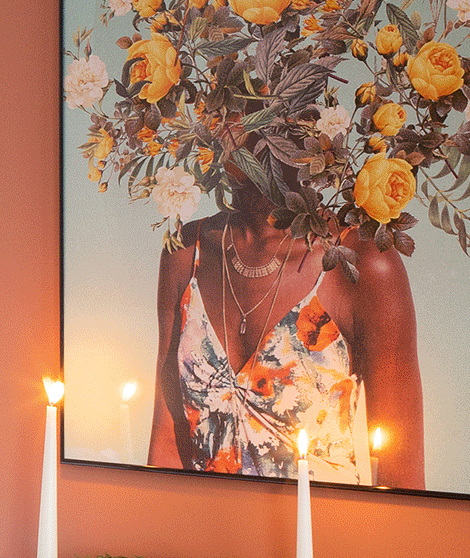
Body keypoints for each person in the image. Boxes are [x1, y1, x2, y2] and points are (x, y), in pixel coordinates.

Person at [147, 184, 425, 489]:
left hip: (325, 530)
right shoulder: (188, 250)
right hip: (204, 528)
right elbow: (166, 448)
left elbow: (402, 480)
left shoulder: (362, 260)